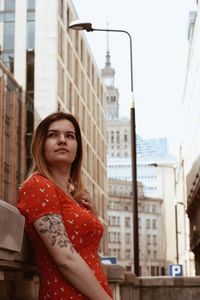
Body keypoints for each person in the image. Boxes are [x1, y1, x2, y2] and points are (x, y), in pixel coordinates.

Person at [18, 112, 113, 300]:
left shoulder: (76, 197)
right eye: (53, 135)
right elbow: (65, 259)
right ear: (41, 145)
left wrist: (91, 216)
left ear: (77, 147)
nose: (62, 140)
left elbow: (87, 252)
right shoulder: (38, 186)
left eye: (70, 136)